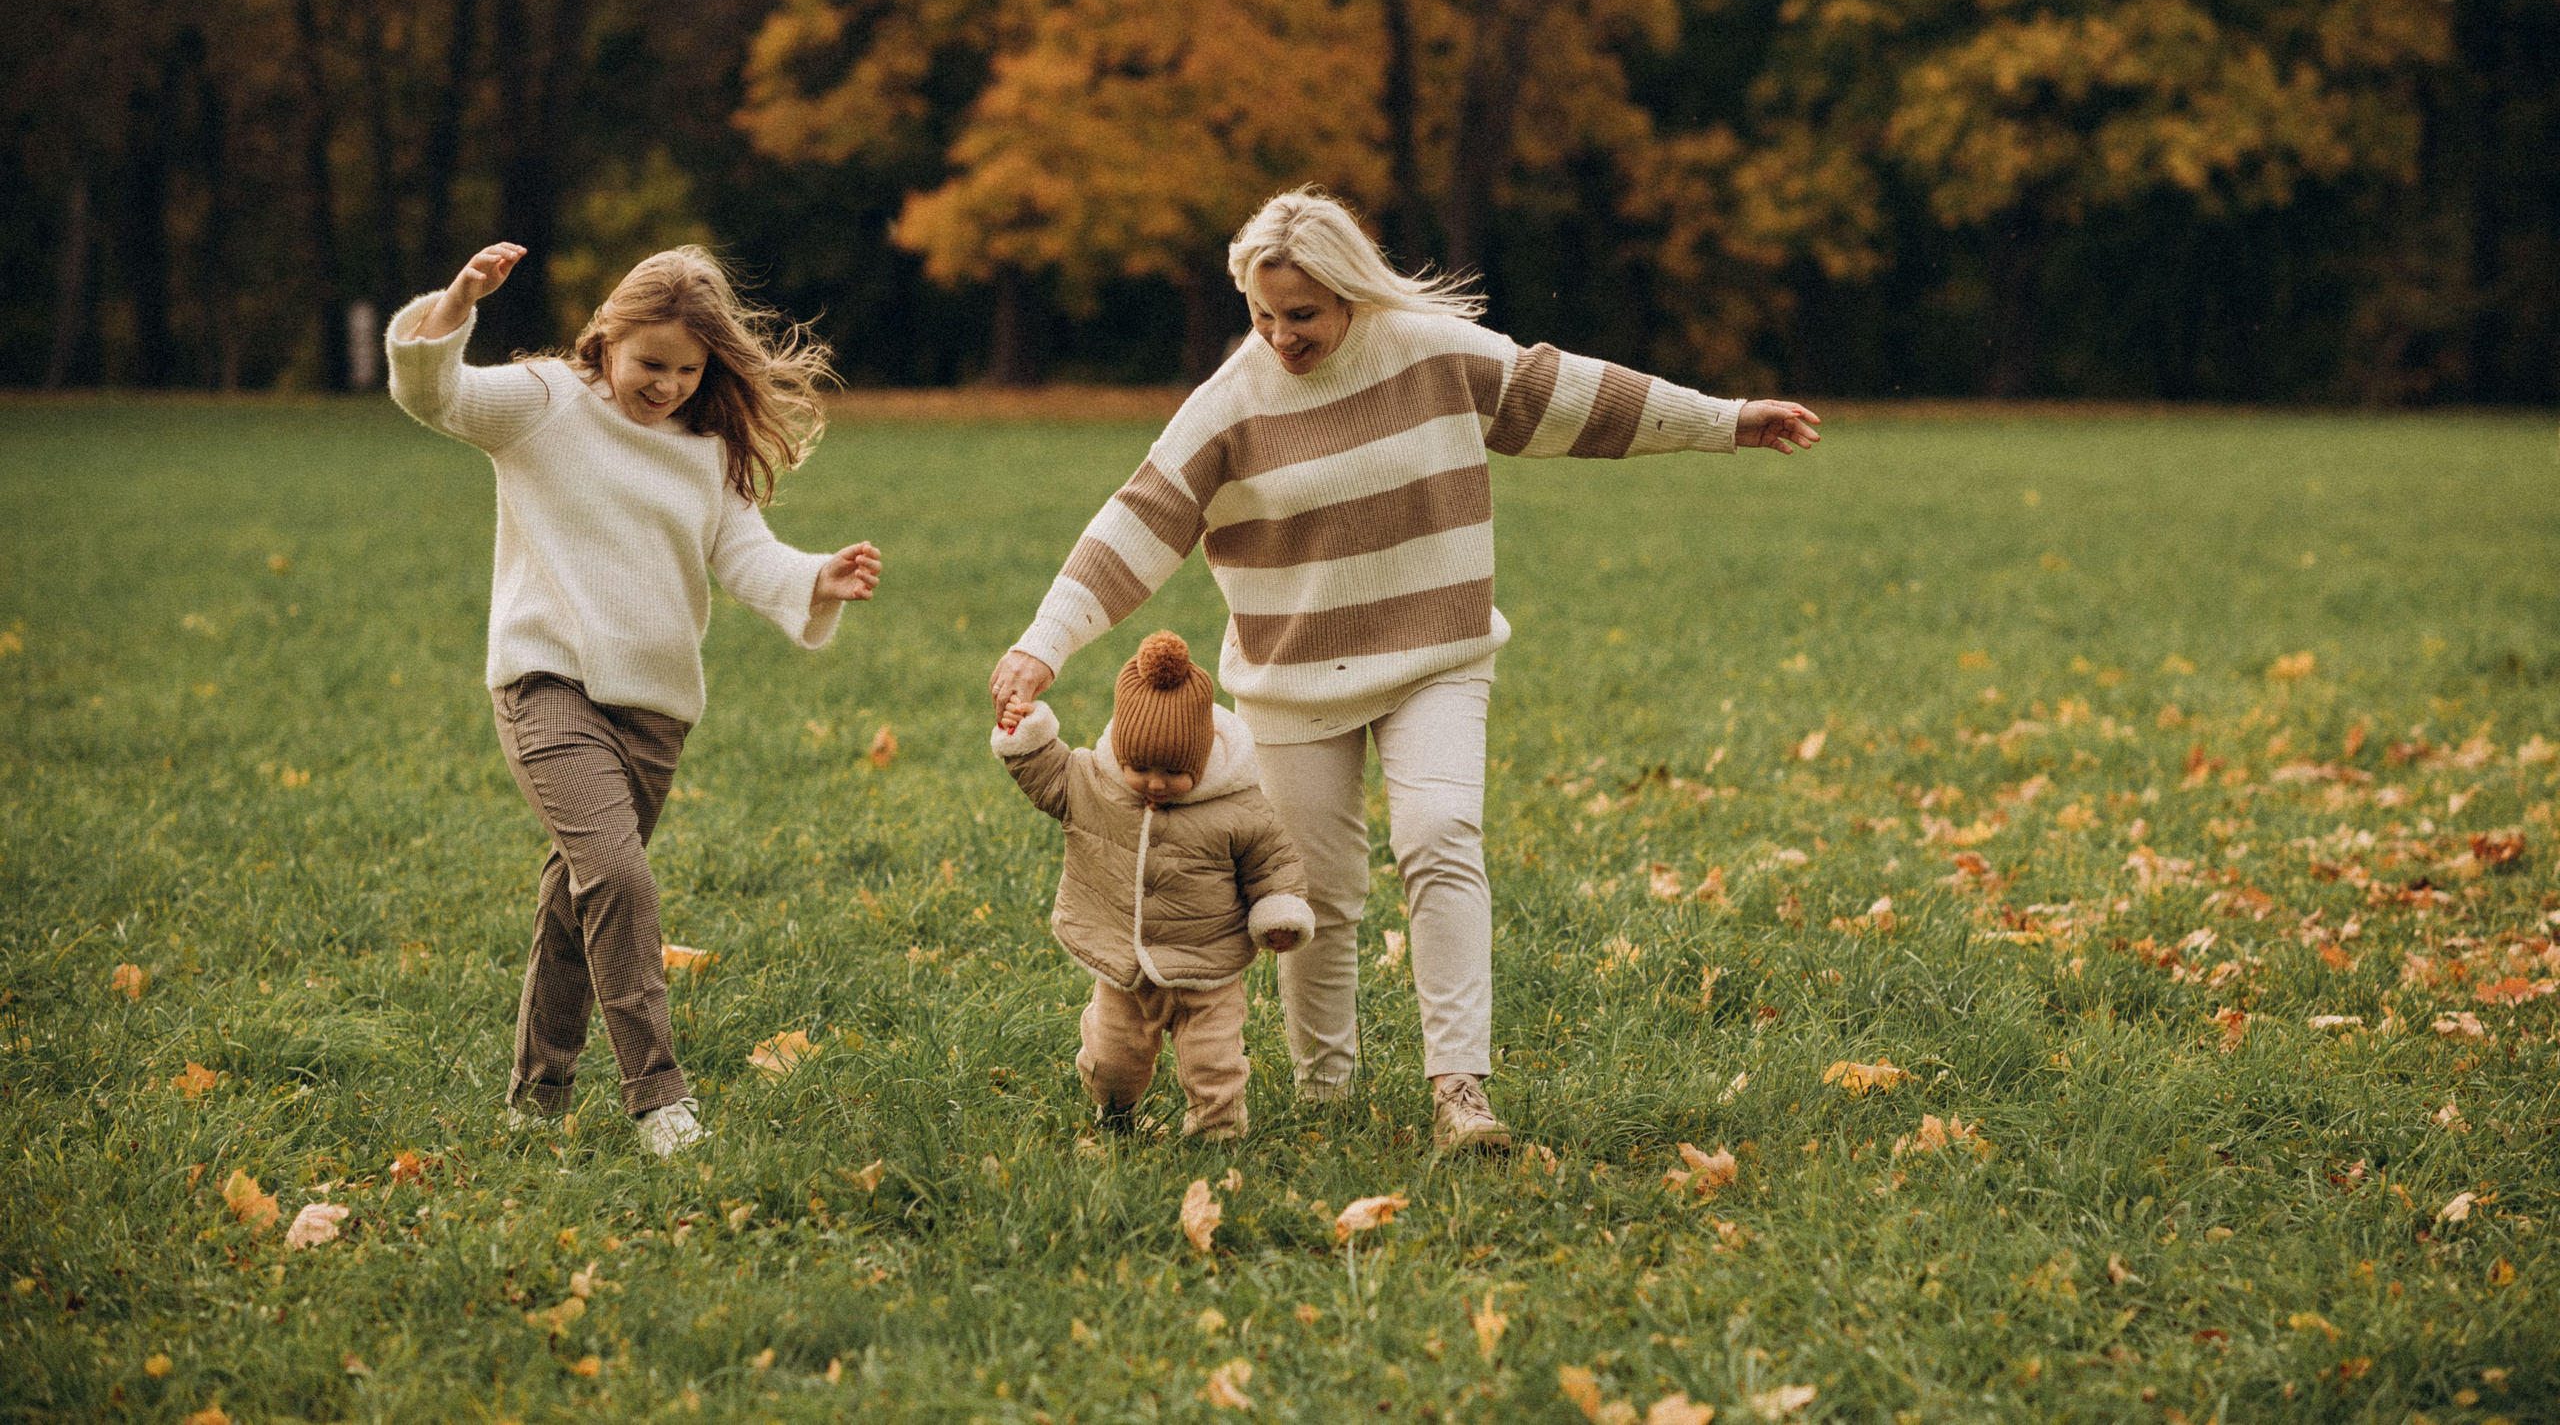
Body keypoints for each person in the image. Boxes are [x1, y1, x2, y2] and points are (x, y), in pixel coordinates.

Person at [988, 189, 1818, 1151]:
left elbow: (1572, 394)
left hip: (1438, 654)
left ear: (1350, 293)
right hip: (1292, 677)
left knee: (1441, 835)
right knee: (1314, 893)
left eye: (1303, 314)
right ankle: (1326, 1094)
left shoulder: (1432, 354)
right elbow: (1137, 522)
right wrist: (1041, 644)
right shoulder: (1229, 405)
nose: (1281, 337)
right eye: (1262, 315)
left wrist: (1725, 419)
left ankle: (1460, 1090)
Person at [387, 241, 881, 1157]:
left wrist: (817, 578)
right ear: (607, 337)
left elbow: (746, 556)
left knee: (579, 899)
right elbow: (434, 395)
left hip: (654, 713)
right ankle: (658, 1097)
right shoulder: (545, 402)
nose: (667, 386)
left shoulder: (705, 450)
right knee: (618, 877)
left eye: (688, 371)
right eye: (651, 363)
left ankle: (537, 1100)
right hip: (547, 681)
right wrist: (457, 303)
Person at [993, 631, 1314, 1140]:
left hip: (1208, 967)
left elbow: (1272, 861)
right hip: (1125, 966)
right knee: (1111, 1059)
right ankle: (1115, 1116)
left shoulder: (1237, 804)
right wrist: (1025, 732)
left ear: (1203, 757)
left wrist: (1278, 912)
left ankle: (1218, 1135)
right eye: (1140, 767)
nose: (1155, 782)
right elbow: (1048, 774)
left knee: (1213, 1062)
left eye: (1175, 771)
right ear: (1121, 751)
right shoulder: (1096, 784)